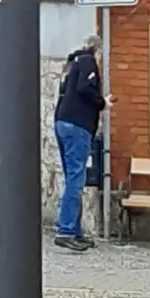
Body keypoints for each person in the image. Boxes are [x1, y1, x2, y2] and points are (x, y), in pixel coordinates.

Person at [53, 33, 113, 251]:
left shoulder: (72, 63)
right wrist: (101, 102)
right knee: (76, 179)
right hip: (78, 125)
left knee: (72, 177)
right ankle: (66, 230)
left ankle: (74, 231)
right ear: (98, 52)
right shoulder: (87, 61)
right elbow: (85, 88)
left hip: (62, 122)